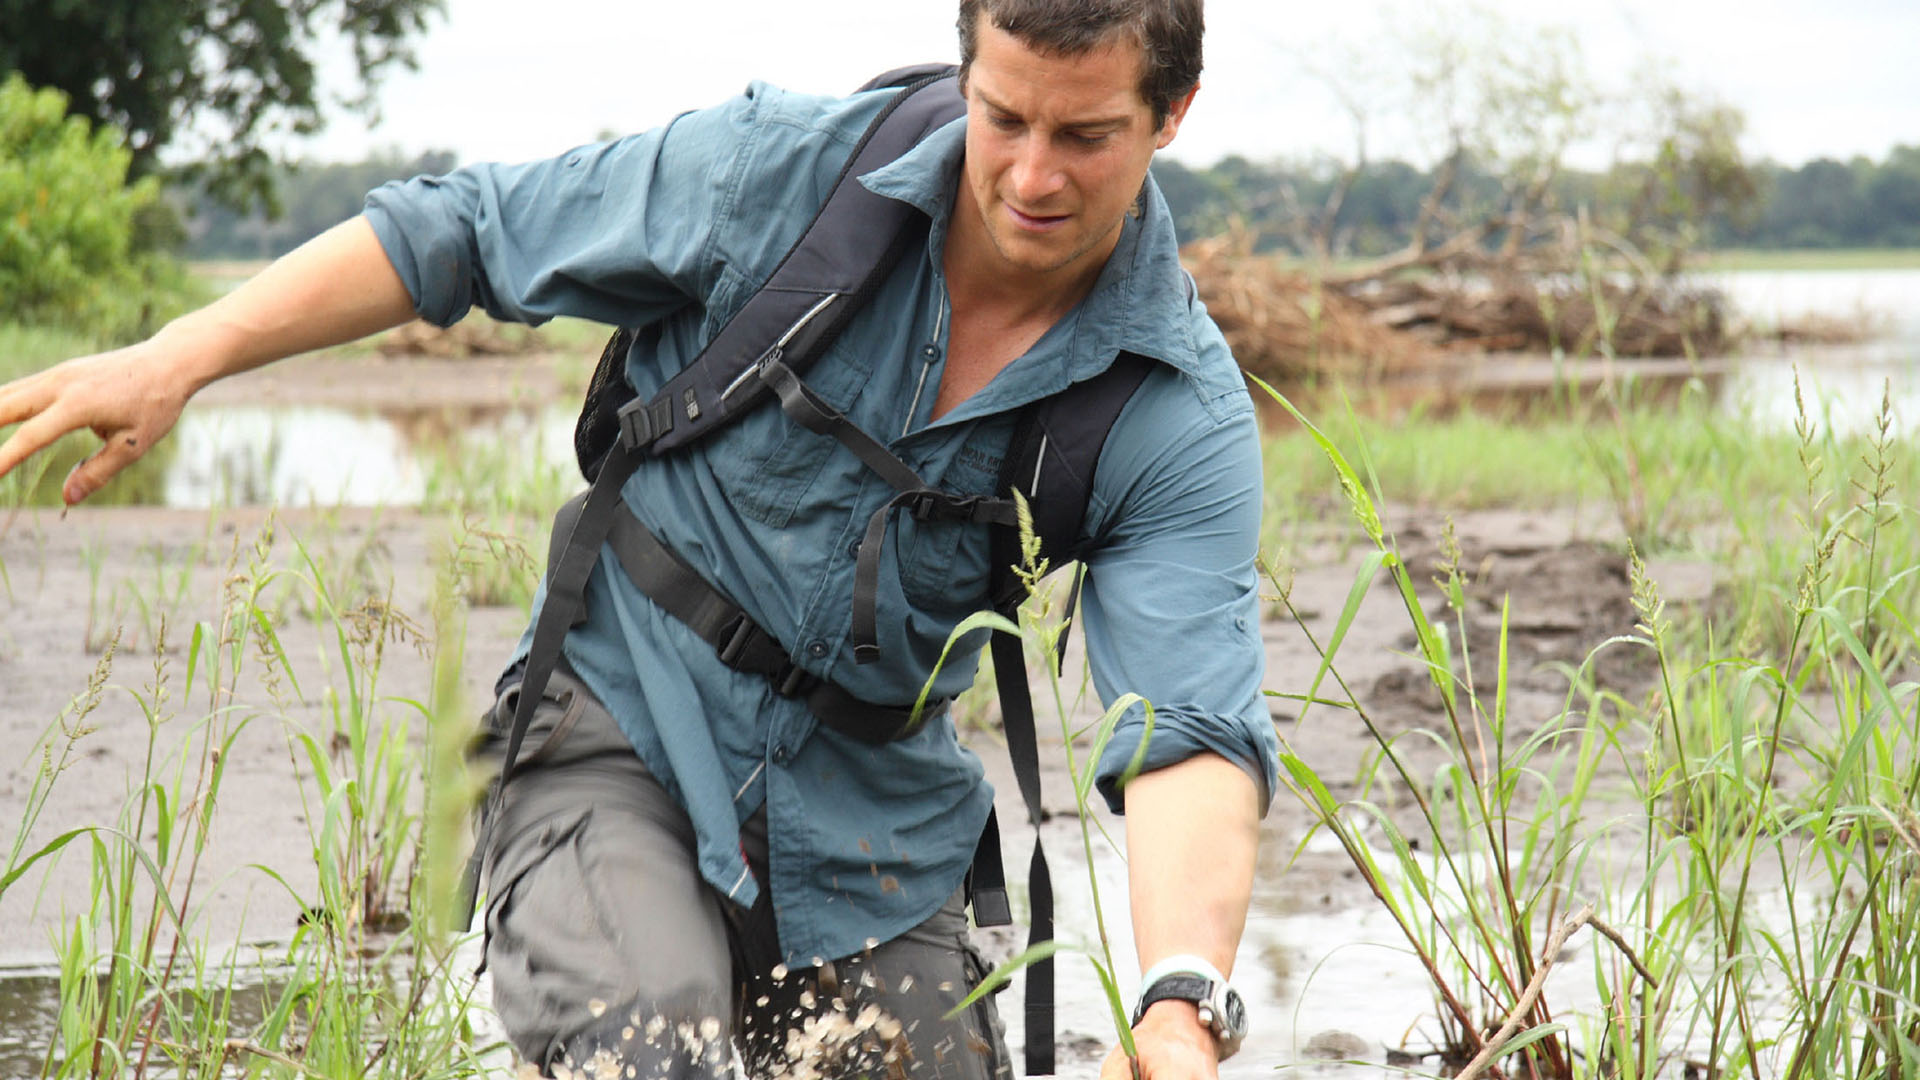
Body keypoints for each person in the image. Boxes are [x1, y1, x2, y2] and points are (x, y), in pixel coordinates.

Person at [0, 0, 1278, 1076]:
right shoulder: (777, 177)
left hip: (872, 826)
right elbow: (465, 232)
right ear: (968, 73)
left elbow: (1187, 730)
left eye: (1086, 136)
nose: (1032, 175)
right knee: (651, 1044)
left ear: (1172, 114)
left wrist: (1179, 1001)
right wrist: (184, 355)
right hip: (621, 725)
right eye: (1003, 117)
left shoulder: (1174, 413)